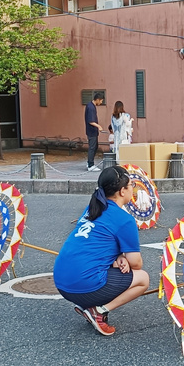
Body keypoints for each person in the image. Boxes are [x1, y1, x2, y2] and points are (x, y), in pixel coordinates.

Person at [53, 166, 150, 336]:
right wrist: (125, 257)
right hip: (84, 285)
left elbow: (96, 245)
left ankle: (88, 306)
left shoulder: (92, 208)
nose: (133, 189)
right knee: (143, 278)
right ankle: (100, 311)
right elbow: (136, 263)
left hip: (62, 284)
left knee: (109, 269)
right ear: (122, 191)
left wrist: (118, 257)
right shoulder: (125, 219)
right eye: (131, 186)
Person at [84, 93, 105, 171]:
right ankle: (90, 165)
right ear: (98, 99)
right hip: (91, 131)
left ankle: (89, 162)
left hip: (92, 131)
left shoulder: (90, 106)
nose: (101, 102)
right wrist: (99, 126)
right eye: (101, 101)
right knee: (92, 147)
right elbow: (91, 121)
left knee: (94, 146)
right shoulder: (91, 107)